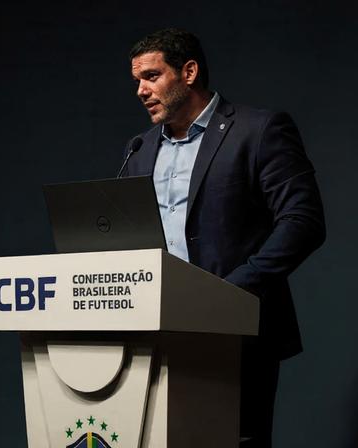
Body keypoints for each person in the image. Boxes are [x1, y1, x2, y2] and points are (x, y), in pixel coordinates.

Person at [122, 28, 326, 447]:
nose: (141, 90)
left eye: (152, 76)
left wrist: (228, 294)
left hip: (236, 333)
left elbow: (303, 221)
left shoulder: (258, 130)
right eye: (137, 81)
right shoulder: (139, 148)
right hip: (158, 335)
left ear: (189, 72)